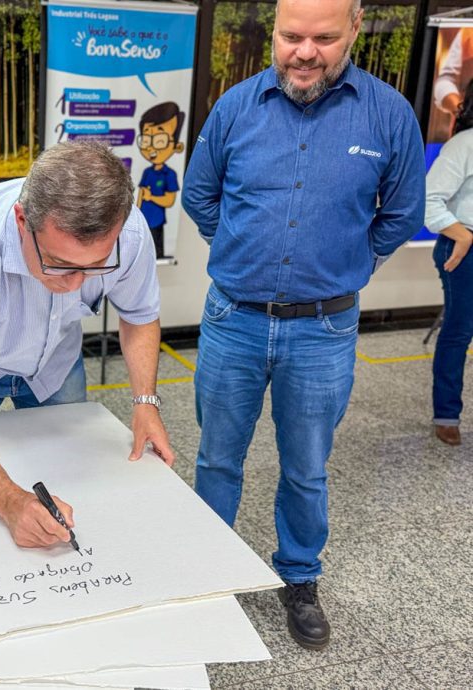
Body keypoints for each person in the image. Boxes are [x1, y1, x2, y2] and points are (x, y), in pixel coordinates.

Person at [182, 0, 425, 651]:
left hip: (324, 331)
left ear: (353, 30)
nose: (305, 50)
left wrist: (346, 264)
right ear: (275, 33)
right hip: (233, 320)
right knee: (217, 457)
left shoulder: (387, 115)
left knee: (307, 466)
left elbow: (402, 215)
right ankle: (208, 573)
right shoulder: (236, 107)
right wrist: (238, 251)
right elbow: (198, 195)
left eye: (323, 36)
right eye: (292, 35)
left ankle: (299, 576)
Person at [0, 141, 174, 549]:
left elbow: (139, 315)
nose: (75, 283)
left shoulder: (130, 233)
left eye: (95, 268)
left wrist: (146, 403)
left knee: (71, 472)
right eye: (60, 263)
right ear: (22, 220)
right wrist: (11, 501)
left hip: (56, 364)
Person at [425, 79, 473, 446]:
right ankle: (447, 414)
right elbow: (427, 201)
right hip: (463, 249)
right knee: (458, 331)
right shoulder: (463, 145)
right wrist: (463, 234)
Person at [136, 102, 185, 258]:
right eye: (146, 140)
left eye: (159, 140)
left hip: (156, 222)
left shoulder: (169, 174)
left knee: (155, 254)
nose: (151, 147)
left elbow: (170, 200)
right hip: (141, 222)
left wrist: (152, 198)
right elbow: (141, 194)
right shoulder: (146, 172)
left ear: (176, 146)